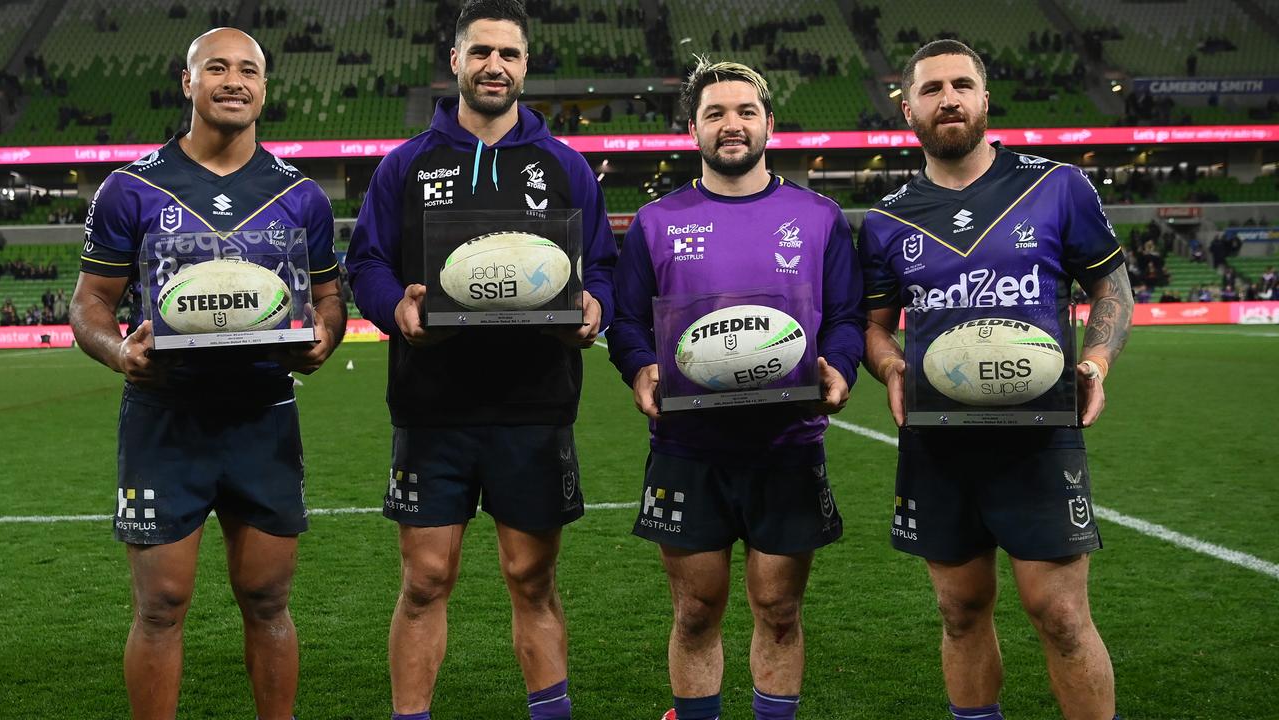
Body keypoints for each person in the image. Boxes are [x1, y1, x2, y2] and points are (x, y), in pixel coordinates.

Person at [343, 1, 616, 718]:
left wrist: (595, 308)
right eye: (482, 52)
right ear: (457, 61)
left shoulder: (565, 166)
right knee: (426, 579)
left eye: (511, 54)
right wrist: (394, 311)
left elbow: (605, 267)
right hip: (432, 405)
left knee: (532, 578)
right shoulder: (405, 164)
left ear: (526, 67)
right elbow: (366, 260)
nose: (496, 65)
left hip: (536, 402)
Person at [68, 27, 345, 720]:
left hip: (263, 412)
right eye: (215, 67)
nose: (233, 80)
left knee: (268, 599)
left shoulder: (300, 195)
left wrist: (324, 340)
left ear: (264, 87)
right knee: (160, 606)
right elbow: (89, 303)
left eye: (248, 69)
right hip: (167, 416)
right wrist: (118, 352)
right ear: (187, 82)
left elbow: (330, 298)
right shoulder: (130, 188)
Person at [857, 40, 1133, 720]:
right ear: (908, 109)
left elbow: (1113, 288)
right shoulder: (887, 218)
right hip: (938, 440)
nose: (947, 97)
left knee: (1061, 615)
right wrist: (890, 366)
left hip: (1038, 434)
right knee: (959, 611)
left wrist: (1095, 363)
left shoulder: (1057, 185)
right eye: (931, 88)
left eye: (961, 84)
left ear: (985, 98)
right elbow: (873, 325)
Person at [607, 58, 864, 720]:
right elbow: (627, 321)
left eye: (746, 111)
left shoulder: (819, 216)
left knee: (779, 610)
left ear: (769, 123)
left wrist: (839, 364)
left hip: (787, 442)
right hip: (688, 445)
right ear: (692, 128)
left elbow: (844, 317)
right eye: (716, 113)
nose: (732, 124)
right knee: (695, 612)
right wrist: (640, 367)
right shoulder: (655, 222)